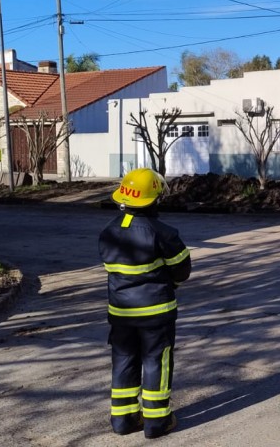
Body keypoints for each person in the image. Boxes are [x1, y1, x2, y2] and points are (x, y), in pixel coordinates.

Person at [99, 168, 191, 439]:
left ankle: (124, 419)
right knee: (156, 362)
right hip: (156, 315)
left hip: (120, 314)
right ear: (153, 199)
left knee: (124, 359)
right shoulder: (163, 233)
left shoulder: (108, 232)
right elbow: (182, 270)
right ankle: (156, 421)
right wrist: (169, 282)